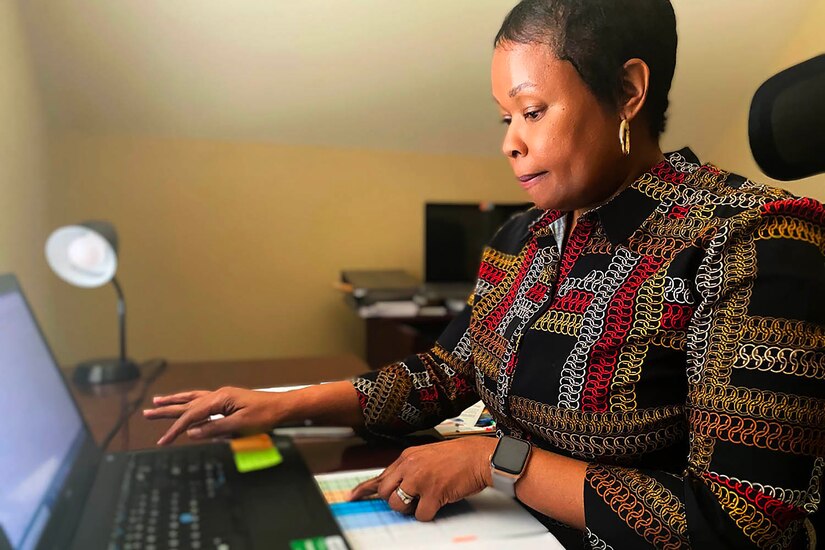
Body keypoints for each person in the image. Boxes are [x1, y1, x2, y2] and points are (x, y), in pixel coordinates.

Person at [144, 1, 825, 547]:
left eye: (531, 112)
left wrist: (495, 462)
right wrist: (287, 404)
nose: (508, 141)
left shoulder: (752, 239)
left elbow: (744, 522)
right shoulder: (520, 236)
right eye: (505, 117)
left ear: (627, 92)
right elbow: (447, 373)